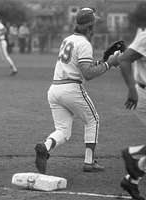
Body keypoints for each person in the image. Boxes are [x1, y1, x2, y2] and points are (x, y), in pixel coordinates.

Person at [34, 8, 119, 174]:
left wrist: (102, 61)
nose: (95, 28)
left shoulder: (68, 39)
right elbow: (87, 74)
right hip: (71, 89)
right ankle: (89, 162)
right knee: (93, 120)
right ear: (89, 26)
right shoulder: (85, 44)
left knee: (63, 131)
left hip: (54, 89)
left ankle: (45, 147)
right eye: (94, 24)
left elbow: (80, 65)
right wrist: (109, 64)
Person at [117, 2, 146, 199]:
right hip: (143, 92)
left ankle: (132, 180)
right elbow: (125, 59)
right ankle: (132, 154)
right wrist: (131, 90)